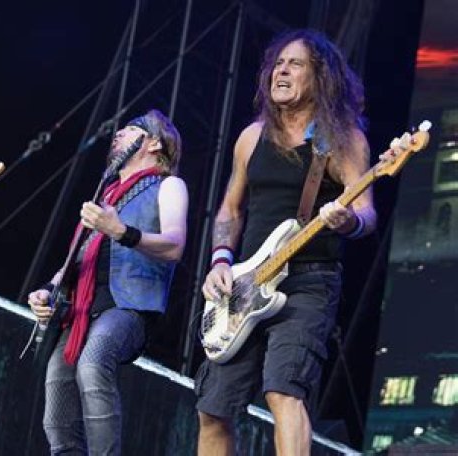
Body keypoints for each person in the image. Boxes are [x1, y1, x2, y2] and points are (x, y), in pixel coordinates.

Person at [196, 29, 379, 455]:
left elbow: (368, 213)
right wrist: (220, 261)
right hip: (246, 284)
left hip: (309, 282)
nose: (281, 70)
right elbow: (230, 210)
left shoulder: (343, 139)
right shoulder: (251, 137)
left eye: (295, 64)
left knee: (284, 392)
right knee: (213, 409)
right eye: (278, 63)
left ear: (321, 76)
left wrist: (348, 221)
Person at [28, 109, 189, 455]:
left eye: (130, 129)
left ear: (154, 143)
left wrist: (121, 230)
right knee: (56, 406)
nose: (117, 133)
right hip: (80, 310)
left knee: (93, 361)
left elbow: (175, 245)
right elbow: (79, 256)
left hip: (128, 307)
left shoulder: (168, 185)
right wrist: (47, 290)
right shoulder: (108, 196)